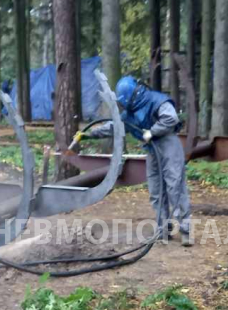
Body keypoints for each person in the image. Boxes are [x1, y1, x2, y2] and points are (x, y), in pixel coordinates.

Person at [81, 75, 193, 246]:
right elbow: (114, 126)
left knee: (175, 188)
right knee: (156, 190)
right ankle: (163, 229)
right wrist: (89, 134)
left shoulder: (157, 100)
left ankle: (185, 231)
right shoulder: (130, 114)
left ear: (132, 97)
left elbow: (171, 118)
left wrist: (153, 132)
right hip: (152, 151)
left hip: (169, 146)